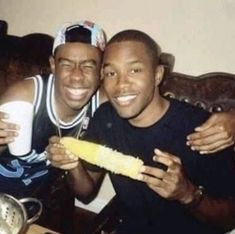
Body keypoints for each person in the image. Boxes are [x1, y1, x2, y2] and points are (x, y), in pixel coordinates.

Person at [48, 29, 235, 234]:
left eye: (135, 70)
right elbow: (85, 192)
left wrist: (187, 194)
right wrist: (72, 164)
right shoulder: (105, 118)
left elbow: (228, 220)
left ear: (157, 75)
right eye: (111, 73)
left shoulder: (204, 130)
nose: (121, 84)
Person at [0, 20, 106, 228]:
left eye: (88, 66)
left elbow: (85, 194)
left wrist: (73, 165)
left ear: (101, 71)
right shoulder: (23, 96)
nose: (77, 76)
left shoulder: (102, 113)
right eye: (66, 64)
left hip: (36, 205)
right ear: (52, 65)